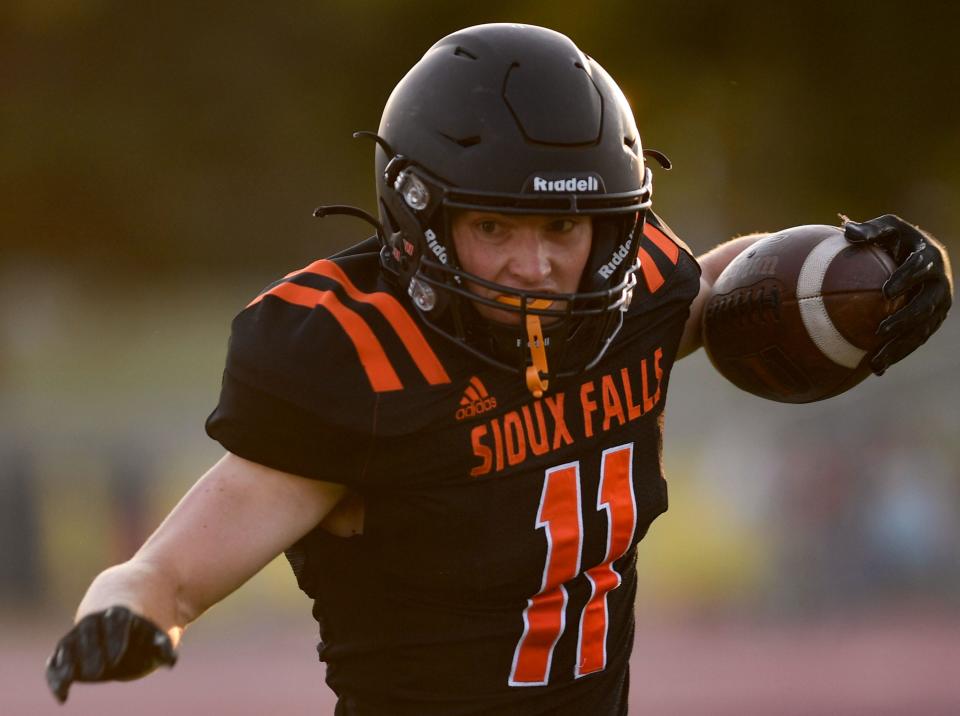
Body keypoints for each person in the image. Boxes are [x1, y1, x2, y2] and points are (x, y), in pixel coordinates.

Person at [45, 23, 952, 715]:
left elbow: (713, 286)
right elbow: (168, 573)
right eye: (495, 228)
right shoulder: (360, 366)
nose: (536, 265)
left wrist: (861, 273)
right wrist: (117, 612)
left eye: (561, 227)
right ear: (423, 220)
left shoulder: (624, 302)